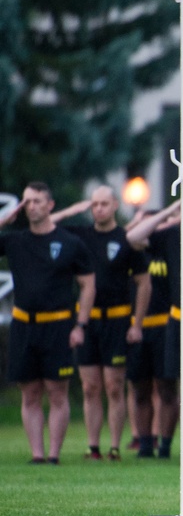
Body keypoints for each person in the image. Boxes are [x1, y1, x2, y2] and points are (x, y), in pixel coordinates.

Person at [51, 186, 152, 461]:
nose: (98, 209)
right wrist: (74, 209)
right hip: (87, 320)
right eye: (94, 204)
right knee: (90, 386)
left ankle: (116, 445)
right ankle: (93, 446)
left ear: (115, 205)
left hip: (117, 320)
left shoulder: (126, 239)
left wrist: (137, 324)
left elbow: (144, 283)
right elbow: (47, 224)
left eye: (104, 204)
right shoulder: (80, 237)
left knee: (114, 385)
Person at [0, 182, 95, 464]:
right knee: (29, 392)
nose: (32, 206)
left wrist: (80, 325)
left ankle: (54, 454)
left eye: (38, 201)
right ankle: (37, 454)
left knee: (56, 390)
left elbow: (88, 285)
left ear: (50, 205)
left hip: (58, 325)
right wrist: (5, 220)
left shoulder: (70, 243)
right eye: (27, 201)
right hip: (24, 325)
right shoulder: (14, 241)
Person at [127, 200, 182, 459]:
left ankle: (165, 446)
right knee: (140, 388)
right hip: (142, 327)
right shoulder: (156, 242)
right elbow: (133, 236)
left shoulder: (173, 242)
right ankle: (145, 444)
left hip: (166, 324)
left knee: (167, 387)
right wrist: (169, 212)